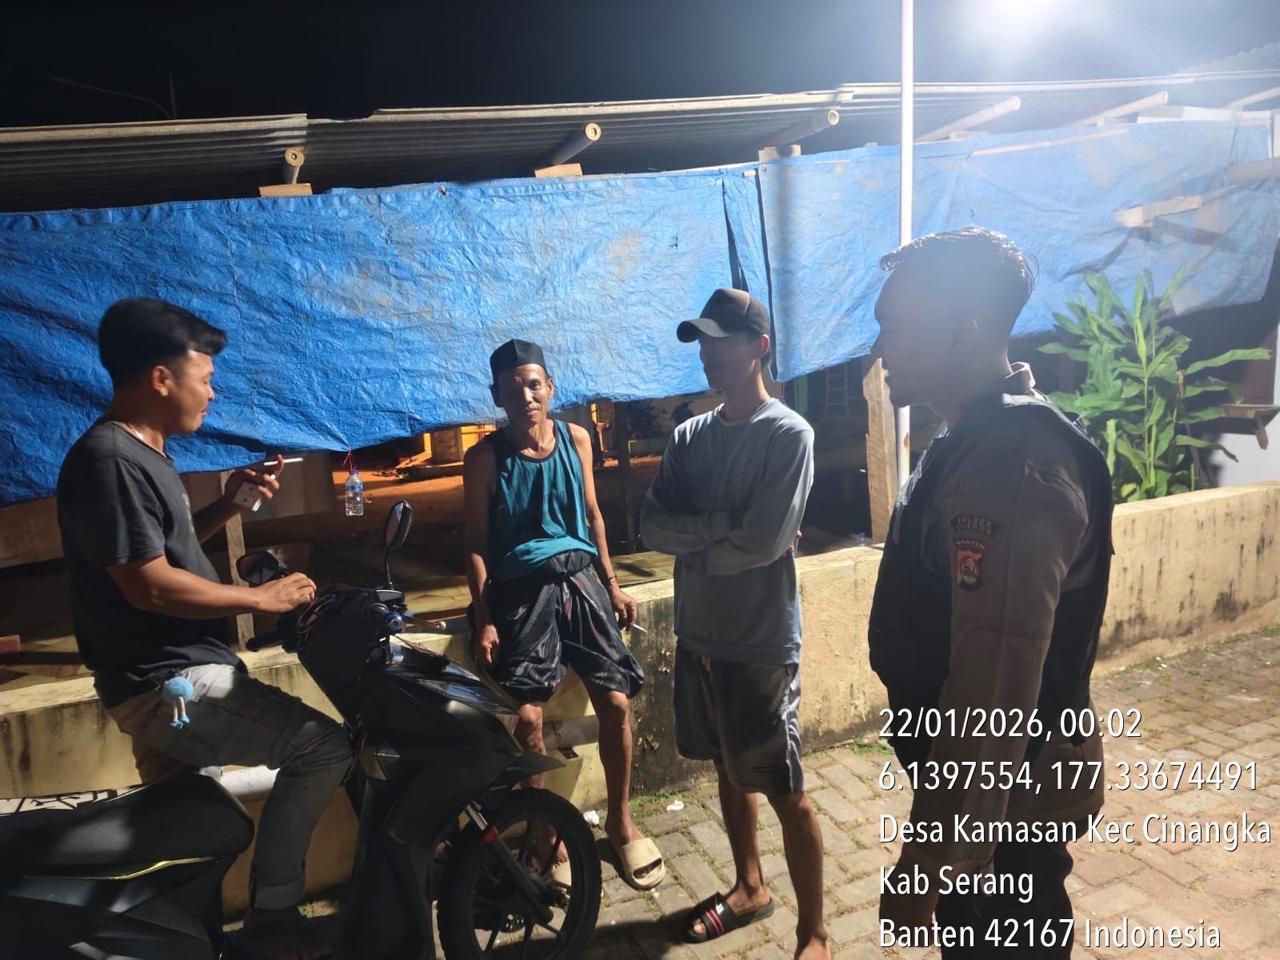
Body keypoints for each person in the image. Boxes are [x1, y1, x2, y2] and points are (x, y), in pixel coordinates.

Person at [56, 298, 352, 960]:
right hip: (167, 682)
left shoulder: (144, 454)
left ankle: (190, 943)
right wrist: (260, 597)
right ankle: (275, 912)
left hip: (161, 679)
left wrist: (227, 506)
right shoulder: (112, 459)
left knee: (188, 838)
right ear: (162, 377)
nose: (212, 392)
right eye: (206, 377)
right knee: (322, 748)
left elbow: (162, 550)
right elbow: (150, 584)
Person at [868, 228, 1113, 958]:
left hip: (1006, 813)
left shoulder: (1012, 465)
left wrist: (931, 864)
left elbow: (993, 691)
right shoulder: (974, 438)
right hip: (996, 807)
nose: (880, 349)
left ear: (962, 331)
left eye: (895, 327)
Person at [640, 289, 829, 960]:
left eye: (721, 341)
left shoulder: (788, 435)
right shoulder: (689, 437)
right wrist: (724, 530)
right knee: (726, 767)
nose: (708, 354)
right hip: (700, 635)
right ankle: (749, 887)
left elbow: (766, 540)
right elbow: (651, 526)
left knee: (784, 789)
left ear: (759, 347)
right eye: (702, 342)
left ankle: (814, 933)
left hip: (759, 642)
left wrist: (700, 541)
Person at [462, 338, 665, 890]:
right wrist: (485, 617)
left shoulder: (577, 440)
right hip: (521, 592)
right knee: (528, 719)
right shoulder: (485, 459)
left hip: (581, 580)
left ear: (550, 387)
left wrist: (613, 584)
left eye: (535, 385)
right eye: (513, 389)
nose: (526, 396)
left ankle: (620, 822)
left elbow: (594, 515)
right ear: (497, 396)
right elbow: (475, 544)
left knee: (616, 702)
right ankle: (544, 834)